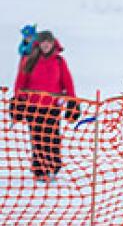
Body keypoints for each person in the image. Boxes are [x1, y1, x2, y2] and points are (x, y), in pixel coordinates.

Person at [11, 30, 77, 182]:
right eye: (43, 42)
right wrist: (18, 101)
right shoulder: (28, 60)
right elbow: (20, 82)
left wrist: (73, 102)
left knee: (52, 139)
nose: (46, 45)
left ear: (53, 43)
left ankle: (53, 167)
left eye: (48, 42)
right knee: (38, 139)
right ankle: (40, 170)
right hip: (33, 107)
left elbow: (67, 82)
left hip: (52, 108)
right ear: (38, 44)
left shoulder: (59, 61)